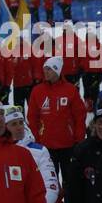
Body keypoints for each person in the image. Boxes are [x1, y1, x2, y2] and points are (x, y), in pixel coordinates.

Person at [27, 55, 87, 185]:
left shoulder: (70, 90)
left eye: (49, 69)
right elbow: (32, 117)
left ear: (57, 71)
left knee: (70, 182)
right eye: (45, 69)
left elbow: (79, 115)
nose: (46, 72)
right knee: (50, 184)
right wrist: (37, 139)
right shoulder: (37, 91)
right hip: (46, 146)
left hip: (68, 145)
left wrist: (79, 139)